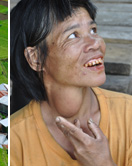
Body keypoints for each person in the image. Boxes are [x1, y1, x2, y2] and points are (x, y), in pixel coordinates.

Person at [10, 0, 132, 165]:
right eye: (73, 35)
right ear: (36, 58)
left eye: (93, 30)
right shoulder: (14, 140)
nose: (96, 43)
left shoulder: (128, 114)